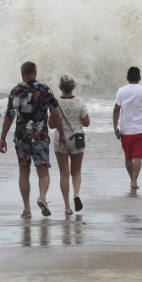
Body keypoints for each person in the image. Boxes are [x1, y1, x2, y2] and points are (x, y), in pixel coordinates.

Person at [0, 61, 67, 218]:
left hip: (22, 138)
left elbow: (9, 116)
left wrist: (3, 138)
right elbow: (55, 114)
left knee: (24, 173)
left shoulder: (15, 91)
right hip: (40, 137)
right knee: (43, 173)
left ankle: (27, 209)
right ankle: (42, 197)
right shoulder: (45, 89)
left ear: (22, 74)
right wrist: (62, 133)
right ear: (35, 73)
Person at [53, 74, 90, 215]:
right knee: (76, 172)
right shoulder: (79, 102)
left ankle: (67, 207)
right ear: (73, 87)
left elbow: (51, 124)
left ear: (60, 88)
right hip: (77, 139)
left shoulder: (55, 102)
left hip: (60, 140)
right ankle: (76, 194)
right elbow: (86, 123)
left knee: (64, 174)